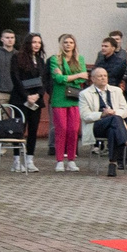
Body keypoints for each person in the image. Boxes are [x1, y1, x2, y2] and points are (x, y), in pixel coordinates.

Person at [79, 66, 127, 175]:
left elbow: (125, 110)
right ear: (93, 79)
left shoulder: (116, 91)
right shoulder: (84, 94)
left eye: (105, 76)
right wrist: (102, 114)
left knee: (113, 128)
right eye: (100, 76)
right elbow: (85, 115)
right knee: (115, 120)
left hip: (114, 125)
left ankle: (112, 164)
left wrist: (113, 112)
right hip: (96, 125)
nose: (103, 78)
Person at [47, 34, 89, 171]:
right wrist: (76, 76)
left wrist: (68, 78)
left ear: (74, 44)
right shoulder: (55, 59)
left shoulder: (79, 59)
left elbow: (84, 78)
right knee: (62, 129)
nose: (68, 45)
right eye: (65, 42)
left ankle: (71, 160)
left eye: (71, 42)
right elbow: (58, 79)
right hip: (59, 99)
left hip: (74, 98)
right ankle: (59, 160)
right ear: (61, 44)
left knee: (73, 130)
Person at [9, 33, 48, 170]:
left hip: (36, 100)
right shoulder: (17, 57)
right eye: (34, 42)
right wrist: (27, 96)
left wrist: (38, 95)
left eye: (39, 42)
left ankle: (30, 160)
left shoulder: (41, 60)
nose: (37, 45)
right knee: (19, 130)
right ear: (27, 43)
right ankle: (16, 161)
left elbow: (44, 80)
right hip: (20, 99)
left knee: (33, 129)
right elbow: (15, 78)